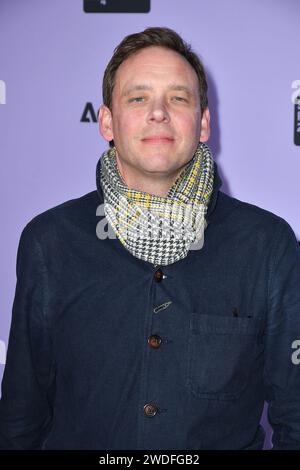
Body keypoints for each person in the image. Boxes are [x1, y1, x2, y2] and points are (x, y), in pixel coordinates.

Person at [0, 26, 300, 451]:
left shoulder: (267, 246)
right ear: (107, 121)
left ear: (203, 123)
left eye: (178, 98)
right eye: (138, 98)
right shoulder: (49, 243)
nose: (158, 112)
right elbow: (20, 419)